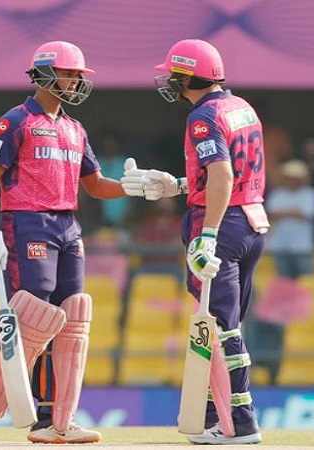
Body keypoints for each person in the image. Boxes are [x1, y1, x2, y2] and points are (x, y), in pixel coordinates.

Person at [0, 41, 132, 445]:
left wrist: (138, 188)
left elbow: (96, 185)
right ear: (45, 74)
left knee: (70, 318)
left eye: (78, 76)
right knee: (32, 314)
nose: (76, 82)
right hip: (27, 221)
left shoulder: (75, 129)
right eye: (71, 74)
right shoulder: (16, 120)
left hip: (68, 225)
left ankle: (54, 421)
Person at [121, 38, 266, 445]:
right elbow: (227, 178)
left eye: (175, 74)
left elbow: (221, 176)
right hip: (252, 221)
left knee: (221, 327)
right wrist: (177, 185)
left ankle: (240, 423)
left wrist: (209, 234)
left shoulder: (202, 116)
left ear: (188, 76)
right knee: (226, 326)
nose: (170, 81)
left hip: (222, 225)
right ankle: (214, 416)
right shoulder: (241, 107)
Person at [265, 159, 314, 279]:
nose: (291, 180)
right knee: (284, 284)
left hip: (302, 247)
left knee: (307, 282)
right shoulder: (277, 194)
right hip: (280, 245)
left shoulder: (310, 194)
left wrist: (283, 213)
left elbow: (306, 215)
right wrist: (294, 212)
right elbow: (271, 214)